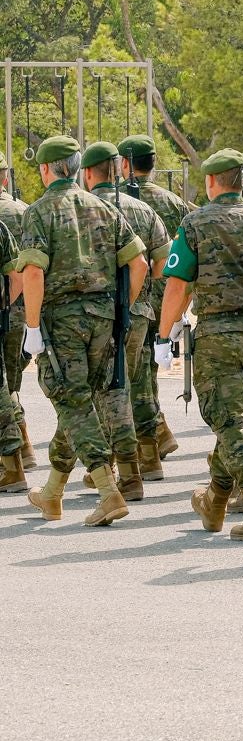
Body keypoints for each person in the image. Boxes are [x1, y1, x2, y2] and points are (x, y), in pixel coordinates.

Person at [155, 149, 243, 541]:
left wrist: (164, 333)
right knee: (241, 420)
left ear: (212, 182)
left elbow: (178, 285)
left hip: (218, 334)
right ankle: (215, 500)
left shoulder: (196, 223)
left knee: (230, 422)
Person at [19, 135, 148, 526]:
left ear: (45, 169)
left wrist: (32, 325)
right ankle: (53, 493)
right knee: (80, 402)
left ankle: (108, 490)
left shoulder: (40, 212)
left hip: (63, 321)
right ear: (76, 168)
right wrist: (120, 310)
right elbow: (139, 264)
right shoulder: (104, 207)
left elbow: (34, 272)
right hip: (103, 317)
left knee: (71, 399)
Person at [83, 141, 170, 483]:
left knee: (103, 393)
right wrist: (137, 295)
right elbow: (161, 264)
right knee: (130, 384)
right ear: (117, 168)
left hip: (97, 314)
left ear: (88, 173)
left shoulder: (85, 209)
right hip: (139, 312)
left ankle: (118, 468)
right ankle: (147, 461)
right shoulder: (143, 210)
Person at [118, 133, 188, 461]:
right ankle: (156, 433)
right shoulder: (174, 203)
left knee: (132, 372)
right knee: (147, 369)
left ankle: (151, 435)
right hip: (166, 297)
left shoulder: (117, 201)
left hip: (135, 295)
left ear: (124, 164)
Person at [0, 154, 30, 481]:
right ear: (6, 178)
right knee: (9, 379)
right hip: (20, 305)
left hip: (6, 301)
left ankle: (14, 457)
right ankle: (24, 448)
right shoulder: (26, 211)